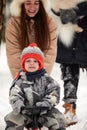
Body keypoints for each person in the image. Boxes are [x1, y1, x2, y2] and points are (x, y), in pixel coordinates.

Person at [4, 43, 66, 130]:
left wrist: (46, 103)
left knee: (58, 118)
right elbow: (14, 94)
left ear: (40, 63)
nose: (31, 64)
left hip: (45, 112)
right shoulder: (20, 81)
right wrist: (18, 104)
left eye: (35, 61)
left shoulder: (48, 80)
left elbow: (54, 92)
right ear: (23, 63)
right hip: (25, 112)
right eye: (28, 61)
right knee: (12, 119)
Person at [52, 1, 87, 127]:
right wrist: (63, 10)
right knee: (69, 76)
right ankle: (70, 109)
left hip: (84, 35)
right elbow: (54, 6)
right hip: (68, 36)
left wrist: (76, 11)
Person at [5, 0, 58, 78]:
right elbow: (13, 54)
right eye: (28, 3)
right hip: (21, 75)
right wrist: (21, 79)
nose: (32, 7)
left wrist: (41, 78)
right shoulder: (13, 24)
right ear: (22, 4)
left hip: (42, 74)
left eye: (36, 3)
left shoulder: (50, 23)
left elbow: (50, 52)